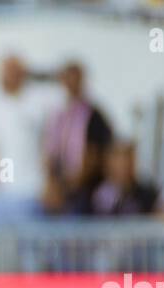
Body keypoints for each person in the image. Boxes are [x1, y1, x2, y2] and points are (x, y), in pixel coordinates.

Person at [0, 55, 51, 222]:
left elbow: (45, 146)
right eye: (7, 71)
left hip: (32, 190)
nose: (11, 75)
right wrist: (4, 183)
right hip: (4, 194)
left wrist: (45, 182)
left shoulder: (37, 104)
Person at [42, 61, 112, 215]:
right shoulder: (58, 115)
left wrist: (72, 186)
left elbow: (95, 155)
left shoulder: (94, 116)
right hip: (60, 191)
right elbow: (50, 153)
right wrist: (53, 185)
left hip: (84, 192)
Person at [91, 141, 158, 216]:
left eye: (127, 159)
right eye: (118, 159)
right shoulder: (96, 194)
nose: (123, 166)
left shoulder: (147, 193)